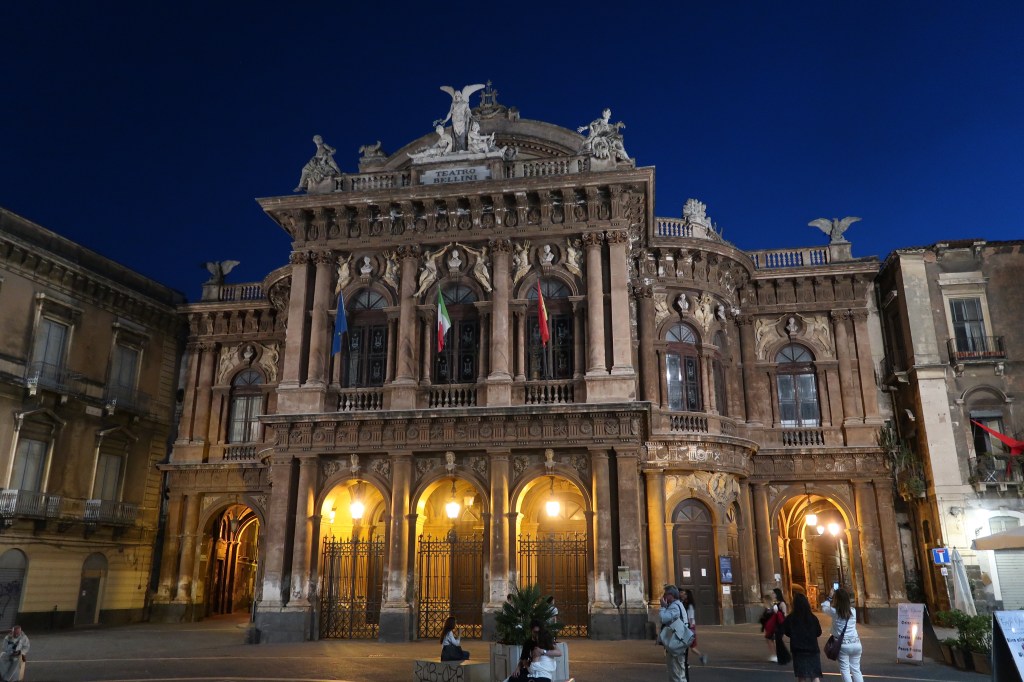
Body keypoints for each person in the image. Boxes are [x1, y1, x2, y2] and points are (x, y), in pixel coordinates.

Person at [821, 588, 862, 682]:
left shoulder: (834, 611)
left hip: (843, 645)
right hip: (856, 643)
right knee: (856, 670)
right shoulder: (853, 611)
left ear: (836, 599)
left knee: (845, 670)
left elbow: (824, 607)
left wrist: (830, 597)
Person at [781, 593, 822, 682]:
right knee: (815, 675)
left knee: (801, 676)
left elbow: (786, 631)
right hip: (812, 649)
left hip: (798, 650)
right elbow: (819, 632)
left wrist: (794, 635)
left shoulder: (791, 618)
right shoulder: (813, 618)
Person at [659, 585, 688, 682]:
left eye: (665, 594)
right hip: (681, 639)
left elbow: (663, 618)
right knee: (680, 672)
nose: (664, 596)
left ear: (671, 595)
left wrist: (663, 607)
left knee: (675, 671)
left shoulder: (674, 607)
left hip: (676, 642)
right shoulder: (678, 604)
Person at [682, 589, 709, 665]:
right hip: (688, 627)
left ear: (688, 595)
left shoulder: (690, 605)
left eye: (685, 594)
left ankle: (699, 657)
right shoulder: (685, 604)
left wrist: (690, 627)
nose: (683, 595)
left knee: (689, 646)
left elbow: (691, 617)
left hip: (690, 627)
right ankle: (700, 656)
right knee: (689, 647)